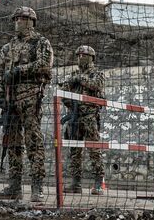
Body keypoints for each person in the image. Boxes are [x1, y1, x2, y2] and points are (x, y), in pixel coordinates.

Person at [0, 6, 54, 202]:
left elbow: (44, 64)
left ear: (31, 21)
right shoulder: (7, 47)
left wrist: (20, 70)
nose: (18, 22)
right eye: (16, 18)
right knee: (12, 143)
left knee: (33, 141)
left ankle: (37, 187)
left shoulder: (40, 42)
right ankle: (14, 185)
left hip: (30, 97)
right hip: (10, 100)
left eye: (23, 18)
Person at [61, 45, 105, 195]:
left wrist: (79, 79)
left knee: (94, 149)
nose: (81, 58)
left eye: (84, 55)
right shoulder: (72, 74)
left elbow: (96, 85)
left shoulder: (97, 74)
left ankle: (98, 182)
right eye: (78, 55)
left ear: (91, 58)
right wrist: (71, 104)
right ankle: (76, 183)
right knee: (74, 151)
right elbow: (64, 93)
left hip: (90, 116)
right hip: (74, 116)